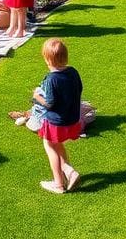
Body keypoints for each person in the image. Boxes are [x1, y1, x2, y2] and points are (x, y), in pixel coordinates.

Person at [33, 38, 82, 194]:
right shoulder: (73, 71)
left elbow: (50, 103)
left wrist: (36, 97)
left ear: (48, 60)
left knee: (49, 145)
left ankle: (58, 183)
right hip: (72, 119)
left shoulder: (52, 79)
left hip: (57, 121)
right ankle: (69, 173)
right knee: (57, 143)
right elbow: (79, 89)